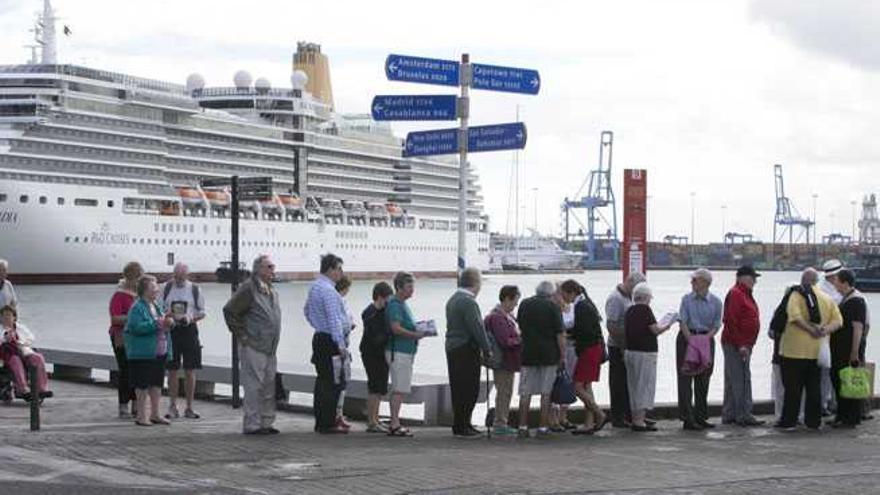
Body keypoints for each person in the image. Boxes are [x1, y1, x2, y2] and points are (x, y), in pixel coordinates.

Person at [223, 255, 283, 435]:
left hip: (269, 347)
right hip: (254, 346)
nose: (273, 270)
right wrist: (243, 336)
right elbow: (230, 311)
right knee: (253, 386)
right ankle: (252, 424)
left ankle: (266, 422)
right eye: (270, 267)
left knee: (268, 386)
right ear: (259, 269)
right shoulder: (249, 288)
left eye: (273, 267)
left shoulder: (271, 290)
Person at [777, 268, 842, 431]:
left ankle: (790, 422)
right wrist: (824, 331)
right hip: (816, 352)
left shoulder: (796, 295)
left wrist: (809, 329)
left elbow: (794, 317)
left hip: (793, 350)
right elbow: (839, 321)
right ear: (816, 281)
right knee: (814, 388)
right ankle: (813, 422)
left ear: (802, 279)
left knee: (793, 389)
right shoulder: (827, 298)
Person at [303, 254, 349, 434]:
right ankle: (328, 423)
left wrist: (317, 325)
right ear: (330, 269)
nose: (341, 273)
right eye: (339, 269)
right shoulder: (329, 291)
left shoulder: (315, 287)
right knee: (333, 382)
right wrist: (340, 344)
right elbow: (334, 319)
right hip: (331, 340)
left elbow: (306, 311)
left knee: (323, 380)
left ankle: (322, 421)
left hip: (320, 337)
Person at [445, 267, 492, 438]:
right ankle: (464, 425)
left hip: (452, 347)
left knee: (458, 387)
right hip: (466, 348)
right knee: (469, 388)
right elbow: (477, 328)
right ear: (475, 283)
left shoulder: (453, 299)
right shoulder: (469, 302)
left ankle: (460, 424)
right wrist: (487, 349)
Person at [516, 280, 566, 438]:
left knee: (525, 392)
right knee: (546, 392)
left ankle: (522, 427)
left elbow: (520, 327)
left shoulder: (524, 304)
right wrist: (562, 356)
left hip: (528, 353)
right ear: (551, 294)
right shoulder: (553, 307)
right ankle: (542, 427)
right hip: (549, 355)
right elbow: (560, 334)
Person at [676, 268, 723, 430]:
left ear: (705, 283)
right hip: (687, 337)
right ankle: (687, 418)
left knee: (703, 378)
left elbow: (717, 325)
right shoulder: (686, 299)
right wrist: (691, 340)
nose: (692, 283)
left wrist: (704, 339)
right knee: (685, 378)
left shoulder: (716, 302)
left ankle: (701, 416)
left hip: (706, 338)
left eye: (695, 280)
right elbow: (682, 321)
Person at [124, 275, 174, 427]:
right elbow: (135, 327)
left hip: (158, 351)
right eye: (153, 288)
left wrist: (169, 322)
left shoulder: (156, 305)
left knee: (157, 383)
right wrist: (158, 323)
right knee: (142, 385)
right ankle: (141, 415)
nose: (157, 290)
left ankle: (155, 414)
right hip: (143, 352)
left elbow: (161, 324)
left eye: (156, 288)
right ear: (144, 290)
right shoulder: (137, 307)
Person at [560, 280, 607, 435]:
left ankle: (599, 413)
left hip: (588, 349)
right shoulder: (586, 304)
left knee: (577, 386)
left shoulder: (581, 307)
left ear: (571, 293)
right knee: (587, 385)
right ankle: (588, 423)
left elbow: (584, 331)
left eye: (564, 294)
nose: (563, 298)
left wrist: (570, 334)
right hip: (595, 348)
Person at [625, 282, 674, 432]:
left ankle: (636, 419)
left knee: (633, 386)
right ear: (646, 297)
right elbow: (654, 330)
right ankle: (639, 422)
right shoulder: (646, 310)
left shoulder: (629, 310)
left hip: (630, 352)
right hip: (645, 353)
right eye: (649, 298)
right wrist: (667, 325)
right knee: (644, 386)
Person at [721, 266, 765, 427]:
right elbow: (730, 320)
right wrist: (741, 345)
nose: (755, 281)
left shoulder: (744, 294)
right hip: (737, 344)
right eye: (752, 277)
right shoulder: (736, 294)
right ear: (741, 278)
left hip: (742, 343)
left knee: (734, 379)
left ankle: (730, 414)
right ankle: (744, 414)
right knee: (742, 379)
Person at [162, 262, 206, 420]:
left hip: (189, 329)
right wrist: (168, 315)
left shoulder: (194, 289)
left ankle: (189, 407)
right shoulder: (166, 288)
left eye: (182, 276)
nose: (179, 279)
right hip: (172, 330)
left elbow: (202, 312)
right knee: (172, 370)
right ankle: (172, 406)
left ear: (187, 275)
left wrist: (190, 318)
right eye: (176, 276)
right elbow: (159, 308)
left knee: (190, 369)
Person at [605, 272, 646, 428]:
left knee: (630, 383)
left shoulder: (630, 297)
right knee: (618, 382)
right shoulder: (615, 299)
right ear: (628, 282)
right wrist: (623, 346)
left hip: (629, 345)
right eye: (636, 288)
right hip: (618, 346)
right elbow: (611, 326)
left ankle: (631, 415)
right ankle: (618, 417)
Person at [386, 271, 425, 437]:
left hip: (405, 351)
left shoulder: (402, 304)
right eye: (409, 287)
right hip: (399, 351)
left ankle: (394, 422)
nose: (412, 290)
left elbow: (404, 325)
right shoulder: (395, 304)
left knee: (400, 387)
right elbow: (395, 328)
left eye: (413, 286)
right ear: (399, 287)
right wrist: (414, 335)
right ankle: (394, 423)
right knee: (399, 388)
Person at [829, 269, 868, 428]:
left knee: (848, 381)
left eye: (837, 280)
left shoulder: (856, 301)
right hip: (839, 347)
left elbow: (858, 327)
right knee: (839, 380)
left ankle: (850, 416)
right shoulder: (846, 298)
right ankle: (842, 414)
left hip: (847, 349)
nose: (834, 283)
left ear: (845, 283)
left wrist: (854, 352)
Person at [484, 285, 522, 436]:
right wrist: (521, 339)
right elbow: (505, 340)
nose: (516, 304)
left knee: (505, 391)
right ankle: (500, 423)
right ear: (507, 298)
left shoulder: (506, 315)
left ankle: (501, 421)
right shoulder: (498, 317)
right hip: (503, 361)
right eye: (515, 300)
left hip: (508, 361)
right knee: (504, 391)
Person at [108, 261, 142, 418]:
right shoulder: (119, 295)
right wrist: (133, 318)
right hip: (121, 337)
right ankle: (123, 405)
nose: (138, 282)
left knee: (136, 370)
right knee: (125, 370)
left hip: (138, 337)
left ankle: (136, 404)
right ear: (130, 278)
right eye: (137, 278)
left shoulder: (141, 295)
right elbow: (115, 318)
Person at [359, 281, 394, 433]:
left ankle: (376, 419)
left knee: (380, 387)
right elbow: (375, 336)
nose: (389, 302)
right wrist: (389, 334)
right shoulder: (371, 312)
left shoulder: (381, 311)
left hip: (379, 351)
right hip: (372, 352)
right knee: (375, 386)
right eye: (387, 298)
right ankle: (372, 422)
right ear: (380, 297)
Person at [0, 305, 51, 401]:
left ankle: (42, 388)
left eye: (9, 315)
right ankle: (22, 388)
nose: (7, 318)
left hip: (23, 350)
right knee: (16, 361)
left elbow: (31, 338)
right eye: (4, 316)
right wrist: (5, 339)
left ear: (14, 317)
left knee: (38, 358)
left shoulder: (21, 328)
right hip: (8, 354)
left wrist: (20, 342)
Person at [817, 259, 844, 416]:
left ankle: (831, 402)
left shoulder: (833, 287)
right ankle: (823, 403)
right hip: (826, 336)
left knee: (832, 373)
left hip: (835, 336)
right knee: (825, 373)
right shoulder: (823, 290)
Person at [551, 285, 577, 431]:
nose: (559, 298)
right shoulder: (552, 311)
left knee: (568, 381)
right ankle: (553, 418)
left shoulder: (573, 308)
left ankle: (563, 416)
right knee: (554, 382)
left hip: (572, 348)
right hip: (556, 349)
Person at [334, 274, 355, 430]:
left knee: (342, 382)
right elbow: (340, 324)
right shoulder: (339, 302)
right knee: (339, 383)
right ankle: (336, 415)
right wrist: (350, 326)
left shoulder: (342, 302)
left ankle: (338, 414)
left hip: (343, 346)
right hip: (339, 347)